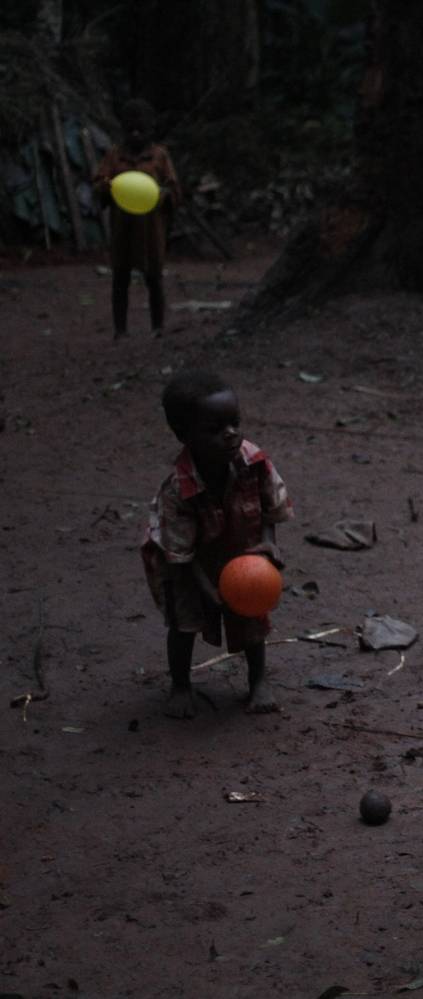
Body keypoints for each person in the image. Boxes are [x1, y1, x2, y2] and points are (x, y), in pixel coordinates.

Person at [142, 371, 292, 717]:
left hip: (240, 549)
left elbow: (271, 506)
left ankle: (258, 682)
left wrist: (268, 544)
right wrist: (209, 590)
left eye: (234, 423)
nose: (231, 433)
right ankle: (181, 685)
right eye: (215, 429)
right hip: (186, 564)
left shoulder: (254, 461)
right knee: (185, 622)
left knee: (252, 616)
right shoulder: (178, 490)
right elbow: (179, 553)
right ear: (185, 436)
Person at [91, 98, 181, 338]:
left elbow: (174, 188)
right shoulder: (114, 156)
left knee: (154, 277)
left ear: (150, 129)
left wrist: (163, 195)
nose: (136, 135)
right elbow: (98, 184)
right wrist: (106, 187)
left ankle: (158, 327)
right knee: (120, 277)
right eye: (131, 130)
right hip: (122, 227)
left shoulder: (159, 156)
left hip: (151, 228)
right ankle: (120, 330)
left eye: (141, 130)